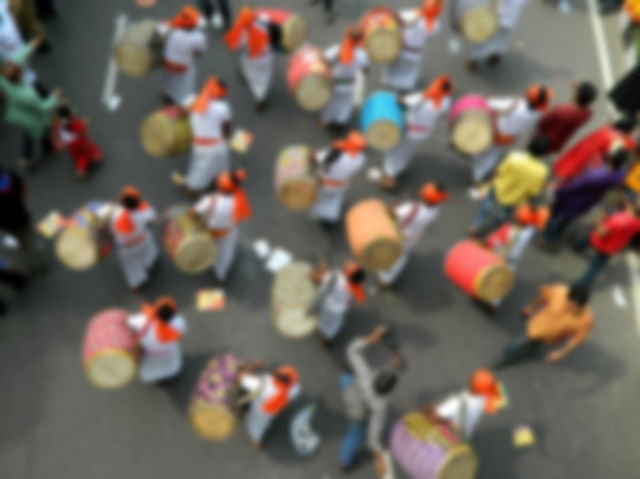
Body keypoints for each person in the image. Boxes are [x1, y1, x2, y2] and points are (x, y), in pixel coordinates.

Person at [339, 326, 400, 476]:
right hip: (360, 412)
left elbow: (352, 350)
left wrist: (373, 337)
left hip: (351, 390)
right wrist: (378, 457)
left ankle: (345, 462)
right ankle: (344, 462)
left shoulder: (366, 374)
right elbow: (373, 435)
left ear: (377, 377)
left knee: (346, 378)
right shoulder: (380, 405)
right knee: (355, 435)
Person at [542, 148, 629, 249]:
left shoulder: (595, 175)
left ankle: (549, 240)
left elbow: (574, 187)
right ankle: (557, 233)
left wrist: (558, 192)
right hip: (589, 201)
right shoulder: (620, 174)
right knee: (569, 218)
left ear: (610, 158)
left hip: (573, 199)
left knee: (555, 217)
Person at [494, 283, 593, 368]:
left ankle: (533, 346)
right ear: (568, 297)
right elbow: (543, 297)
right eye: (570, 303)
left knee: (537, 341)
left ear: (583, 305)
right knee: (520, 341)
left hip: (551, 337)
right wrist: (530, 307)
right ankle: (505, 357)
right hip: (537, 326)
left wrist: (559, 354)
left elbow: (576, 340)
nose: (571, 307)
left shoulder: (585, 319)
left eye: (576, 306)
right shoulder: (558, 292)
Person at [378, 75, 453, 188]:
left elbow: (401, 102)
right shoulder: (446, 101)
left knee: (396, 151)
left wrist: (401, 98)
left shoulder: (422, 98)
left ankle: (390, 177)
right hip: (424, 133)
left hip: (409, 131)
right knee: (408, 150)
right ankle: (401, 168)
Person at [470, 136, 550, 239]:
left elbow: (498, 171)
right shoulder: (542, 171)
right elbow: (533, 191)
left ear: (530, 145)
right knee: (502, 216)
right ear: (544, 153)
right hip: (516, 198)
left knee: (486, 207)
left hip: (498, 187)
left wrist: (490, 180)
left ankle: (475, 226)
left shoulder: (514, 157)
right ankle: (491, 234)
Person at [471, 84, 553, 186]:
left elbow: (490, 103)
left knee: (485, 151)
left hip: (495, 132)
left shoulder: (515, 104)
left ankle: (476, 174)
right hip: (508, 138)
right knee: (492, 155)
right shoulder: (537, 113)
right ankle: (478, 175)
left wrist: (494, 100)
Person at [377, 182, 449, 286]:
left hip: (399, 233)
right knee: (402, 256)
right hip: (414, 236)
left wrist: (392, 207)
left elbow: (393, 214)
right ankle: (388, 279)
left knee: (390, 249)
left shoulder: (412, 208)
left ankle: (382, 269)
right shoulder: (435, 211)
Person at [0, 45, 60, 168]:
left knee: (29, 132)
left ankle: (26, 156)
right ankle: (48, 150)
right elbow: (43, 107)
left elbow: (16, 60)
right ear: (19, 75)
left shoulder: (3, 80)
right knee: (41, 130)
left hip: (18, 113)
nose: (10, 64)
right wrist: (54, 96)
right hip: (32, 117)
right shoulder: (28, 94)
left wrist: (31, 46)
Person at [192, 169, 252, 282]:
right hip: (228, 232)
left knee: (210, 249)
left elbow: (194, 212)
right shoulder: (238, 199)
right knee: (226, 254)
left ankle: (210, 263)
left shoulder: (210, 200)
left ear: (220, 187)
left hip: (212, 233)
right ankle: (221, 276)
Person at [575, 198, 640, 289]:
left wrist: (599, 221)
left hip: (598, 240)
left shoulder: (617, 219)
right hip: (611, 248)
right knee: (596, 268)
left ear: (632, 207)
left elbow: (601, 233)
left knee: (587, 242)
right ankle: (583, 284)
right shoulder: (638, 224)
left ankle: (582, 284)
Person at [422, 369, 505, 440]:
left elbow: (437, 416)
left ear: (471, 383)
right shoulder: (485, 398)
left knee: (430, 412)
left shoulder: (457, 403)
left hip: (453, 434)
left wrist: (429, 412)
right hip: (466, 433)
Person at [182, 77, 233, 194]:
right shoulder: (222, 107)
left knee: (199, 167)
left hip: (199, 144)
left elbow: (183, 113)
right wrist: (227, 138)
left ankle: (195, 186)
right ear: (221, 94)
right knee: (219, 167)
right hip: (217, 146)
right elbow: (226, 126)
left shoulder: (191, 100)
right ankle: (192, 189)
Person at [553, 117, 636, 186]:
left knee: (569, 170)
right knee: (573, 179)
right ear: (629, 130)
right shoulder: (617, 140)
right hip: (590, 162)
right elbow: (612, 156)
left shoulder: (606, 129)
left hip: (581, 151)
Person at [382, 0, 443, 92]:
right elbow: (429, 39)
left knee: (394, 69)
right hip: (416, 53)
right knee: (408, 72)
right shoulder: (437, 24)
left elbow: (397, 19)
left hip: (402, 50)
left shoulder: (413, 14)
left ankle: (389, 86)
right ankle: (402, 89)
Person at [309, 131, 367, 223]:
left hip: (324, 184)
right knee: (334, 201)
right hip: (341, 185)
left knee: (320, 200)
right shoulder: (361, 159)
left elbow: (316, 158)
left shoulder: (336, 154)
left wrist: (315, 153)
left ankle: (321, 215)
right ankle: (330, 217)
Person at [239, 364, 301, 449]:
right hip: (272, 412)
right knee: (265, 422)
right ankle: (259, 438)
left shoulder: (262, 383)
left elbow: (242, 378)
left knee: (256, 426)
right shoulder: (294, 389)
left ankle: (257, 442)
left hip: (258, 411)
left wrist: (252, 366)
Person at [126, 297, 187, 383]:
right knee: (170, 364)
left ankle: (156, 378)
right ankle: (169, 375)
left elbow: (128, 321)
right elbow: (182, 332)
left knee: (151, 367)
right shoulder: (179, 322)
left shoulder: (141, 320)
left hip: (148, 354)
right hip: (167, 353)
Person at [109, 187, 158, 291]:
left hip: (128, 248)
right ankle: (148, 265)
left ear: (121, 201)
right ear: (138, 199)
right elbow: (152, 222)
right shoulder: (146, 208)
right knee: (147, 253)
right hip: (144, 239)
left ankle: (137, 284)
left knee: (132, 266)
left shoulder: (117, 216)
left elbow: (119, 238)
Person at [225, 7, 273, 111]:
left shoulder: (240, 32)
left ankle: (259, 97)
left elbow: (236, 46)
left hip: (250, 60)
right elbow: (268, 41)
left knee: (254, 79)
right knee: (263, 78)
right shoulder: (262, 27)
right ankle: (261, 97)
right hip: (265, 59)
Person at [0, 167, 46, 274]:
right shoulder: (7, 175)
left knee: (18, 237)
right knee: (29, 238)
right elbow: (23, 187)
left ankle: (23, 246)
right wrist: (21, 201)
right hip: (19, 214)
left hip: (4, 222)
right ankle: (39, 264)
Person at [321, 26, 369, 129]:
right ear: (360, 40)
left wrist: (329, 67)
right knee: (345, 103)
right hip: (349, 84)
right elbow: (366, 71)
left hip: (335, 82)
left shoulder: (338, 49)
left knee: (332, 102)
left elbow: (324, 59)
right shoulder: (363, 55)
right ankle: (340, 120)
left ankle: (326, 121)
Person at [310, 261, 367, 346]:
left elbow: (314, 278)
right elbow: (356, 300)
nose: (347, 264)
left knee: (323, 319)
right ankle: (327, 339)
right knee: (334, 325)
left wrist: (321, 269)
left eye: (350, 267)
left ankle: (321, 330)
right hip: (340, 310)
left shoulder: (334, 278)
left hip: (327, 305)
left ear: (349, 274)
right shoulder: (357, 285)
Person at [158, 6, 206, 105]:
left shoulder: (169, 28)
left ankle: (168, 96)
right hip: (184, 68)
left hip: (168, 65)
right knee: (184, 89)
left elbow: (158, 30)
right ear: (193, 25)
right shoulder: (198, 37)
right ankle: (181, 105)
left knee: (169, 81)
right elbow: (199, 53)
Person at [533, 82, 598, 155]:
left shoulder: (561, 110)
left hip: (542, 140)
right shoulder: (587, 114)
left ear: (577, 95)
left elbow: (542, 123)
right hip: (558, 143)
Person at [465, 0, 529, 72]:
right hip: (510, 22)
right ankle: (495, 55)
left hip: (500, 18)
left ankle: (474, 60)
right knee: (501, 39)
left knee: (484, 37)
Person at [53, 105, 103, 179]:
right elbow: (84, 132)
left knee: (79, 156)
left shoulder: (57, 124)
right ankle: (91, 160)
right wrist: (85, 123)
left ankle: (81, 169)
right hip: (80, 143)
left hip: (71, 146)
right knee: (95, 155)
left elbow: (57, 135)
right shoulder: (74, 123)